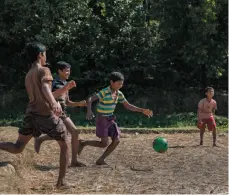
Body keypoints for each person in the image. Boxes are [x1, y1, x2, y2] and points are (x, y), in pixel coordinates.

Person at [0, 42, 75, 188]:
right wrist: (54, 103)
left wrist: (64, 89)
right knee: (66, 142)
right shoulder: (44, 70)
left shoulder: (29, 75)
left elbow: (45, 93)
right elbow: (46, 88)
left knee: (18, 147)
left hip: (31, 114)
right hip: (45, 114)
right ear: (40, 55)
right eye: (45, 53)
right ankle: (61, 182)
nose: (46, 56)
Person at [78, 71, 153, 165]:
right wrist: (89, 111)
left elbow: (128, 106)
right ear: (111, 82)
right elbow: (90, 99)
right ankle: (83, 143)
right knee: (104, 144)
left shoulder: (119, 94)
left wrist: (142, 110)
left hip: (110, 119)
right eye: (118, 84)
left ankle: (101, 159)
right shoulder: (105, 91)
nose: (120, 86)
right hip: (101, 119)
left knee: (117, 140)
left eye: (121, 84)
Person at [34, 61, 87, 167]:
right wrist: (66, 88)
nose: (68, 72)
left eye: (69, 70)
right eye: (66, 70)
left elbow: (67, 102)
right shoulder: (54, 83)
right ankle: (73, 161)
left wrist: (78, 104)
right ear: (59, 71)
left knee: (70, 133)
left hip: (63, 112)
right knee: (71, 133)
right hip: (55, 113)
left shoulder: (65, 84)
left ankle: (74, 161)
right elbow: (50, 96)